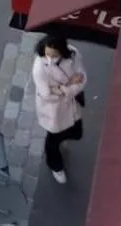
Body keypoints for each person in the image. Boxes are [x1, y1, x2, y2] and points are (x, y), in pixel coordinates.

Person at [32, 34, 87, 185]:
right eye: (48, 53)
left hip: (71, 104)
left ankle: (61, 142)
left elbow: (82, 79)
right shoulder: (40, 67)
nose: (50, 58)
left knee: (76, 132)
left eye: (54, 55)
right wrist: (68, 85)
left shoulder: (73, 54)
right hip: (53, 110)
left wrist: (61, 89)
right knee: (53, 138)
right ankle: (55, 165)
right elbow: (46, 94)